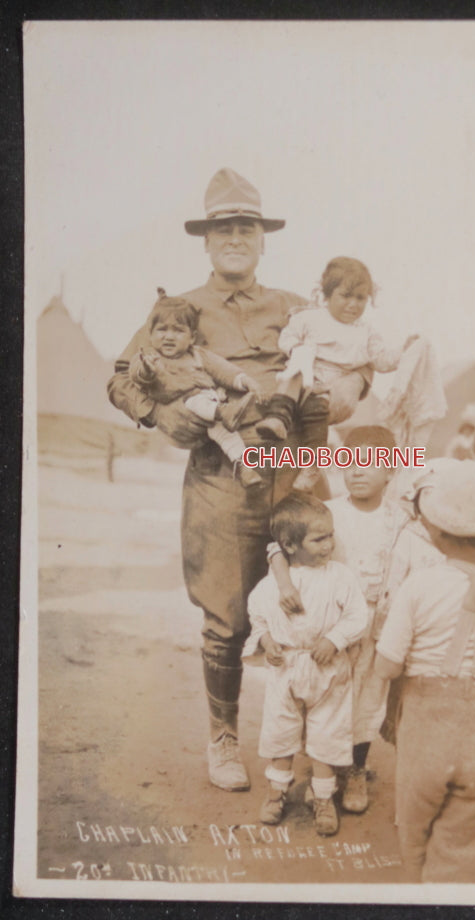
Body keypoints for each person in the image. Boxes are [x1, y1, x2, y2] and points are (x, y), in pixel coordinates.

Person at [107, 168, 368, 792]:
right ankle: (224, 736)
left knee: (321, 606)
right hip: (219, 479)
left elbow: (353, 363)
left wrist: (348, 391)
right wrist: (162, 413)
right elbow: (122, 379)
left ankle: (327, 748)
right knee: (227, 619)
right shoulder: (177, 312)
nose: (235, 237)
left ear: (262, 237)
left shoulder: (294, 307)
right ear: (206, 238)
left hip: (296, 477)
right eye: (224, 227)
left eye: (246, 226)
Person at [374, 459, 475, 883]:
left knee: (415, 839)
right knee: (462, 849)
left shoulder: (419, 586)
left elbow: (387, 667)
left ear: (435, 531)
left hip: (427, 732)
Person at [269, 426, 443, 815]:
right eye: (348, 462)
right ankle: (321, 771)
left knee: (366, 701)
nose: (358, 471)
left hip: (376, 629)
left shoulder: (400, 519)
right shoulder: (329, 512)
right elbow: (281, 544)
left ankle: (357, 769)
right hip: (330, 628)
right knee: (324, 698)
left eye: (370, 463)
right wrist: (285, 583)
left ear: (391, 472)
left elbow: (422, 560)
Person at [243, 494, 368, 836]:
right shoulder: (273, 585)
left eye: (330, 535)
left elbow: (358, 615)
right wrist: (267, 642)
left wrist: (335, 640)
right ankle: (276, 792)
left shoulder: (339, 577)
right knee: (280, 731)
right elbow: (258, 616)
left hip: (327, 670)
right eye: (318, 539)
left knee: (326, 733)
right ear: (290, 544)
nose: (329, 544)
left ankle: (323, 798)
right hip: (287, 668)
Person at [257, 256, 405, 441]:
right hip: (306, 374)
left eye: (360, 298)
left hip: (334, 389)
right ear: (327, 295)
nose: (353, 304)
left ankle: (313, 460)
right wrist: (297, 350)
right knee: (293, 374)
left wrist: (404, 351)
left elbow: (381, 361)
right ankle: (278, 417)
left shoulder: (366, 332)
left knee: (318, 415)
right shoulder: (310, 318)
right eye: (346, 296)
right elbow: (288, 336)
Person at [129, 289, 264, 489]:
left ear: (192, 337)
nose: (169, 336)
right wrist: (148, 369)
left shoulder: (198, 355)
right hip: (183, 406)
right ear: (150, 334)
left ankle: (244, 467)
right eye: (162, 330)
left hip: (209, 408)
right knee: (197, 402)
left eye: (178, 330)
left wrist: (243, 380)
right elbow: (136, 373)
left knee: (227, 434)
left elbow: (222, 369)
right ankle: (224, 412)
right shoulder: (151, 357)